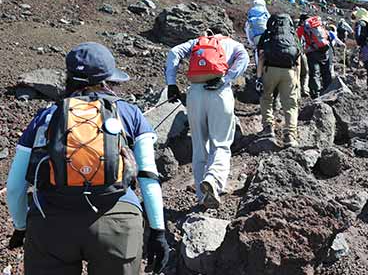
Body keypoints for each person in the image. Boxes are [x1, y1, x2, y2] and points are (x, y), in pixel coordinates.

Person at [6, 42, 169, 275]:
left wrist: (22, 227)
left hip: (51, 222)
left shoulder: (47, 116)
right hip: (118, 220)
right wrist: (158, 232)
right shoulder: (131, 113)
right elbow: (148, 176)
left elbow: (14, 187)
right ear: (107, 80)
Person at [165, 25, 249, 209]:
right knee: (220, 143)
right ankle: (213, 179)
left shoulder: (197, 43)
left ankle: (202, 197)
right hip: (220, 94)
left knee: (199, 146)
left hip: (195, 94)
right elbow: (244, 59)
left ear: (209, 33)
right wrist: (226, 78)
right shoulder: (233, 44)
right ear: (227, 33)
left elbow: (173, 52)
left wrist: (171, 84)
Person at [256, 14, 301, 145]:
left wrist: (259, 78)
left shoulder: (268, 34)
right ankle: (290, 135)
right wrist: (297, 79)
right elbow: (298, 57)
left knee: (266, 98)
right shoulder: (293, 35)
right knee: (290, 104)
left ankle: (268, 128)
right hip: (289, 71)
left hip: (270, 70)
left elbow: (261, 57)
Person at [297, 15, 332, 98]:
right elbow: (328, 36)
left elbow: (297, 40)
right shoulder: (318, 24)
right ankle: (328, 90)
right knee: (326, 71)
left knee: (314, 73)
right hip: (325, 49)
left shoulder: (303, 27)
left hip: (312, 51)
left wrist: (303, 50)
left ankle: (316, 93)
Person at [244, 0, 270, 66]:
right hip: (267, 36)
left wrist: (251, 42)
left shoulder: (251, 13)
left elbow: (247, 28)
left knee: (257, 51)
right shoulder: (266, 13)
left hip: (256, 37)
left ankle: (259, 70)